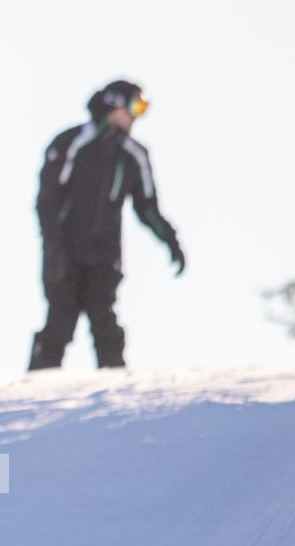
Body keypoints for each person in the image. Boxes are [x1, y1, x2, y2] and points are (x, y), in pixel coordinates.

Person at [29, 79, 185, 371]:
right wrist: (52, 248)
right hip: (64, 251)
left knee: (105, 322)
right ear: (114, 105)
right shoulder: (71, 143)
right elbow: (47, 200)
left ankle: (113, 395)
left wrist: (170, 241)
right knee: (60, 322)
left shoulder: (134, 155)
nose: (138, 116)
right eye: (136, 106)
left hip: (105, 256)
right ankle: (35, 389)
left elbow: (147, 206)